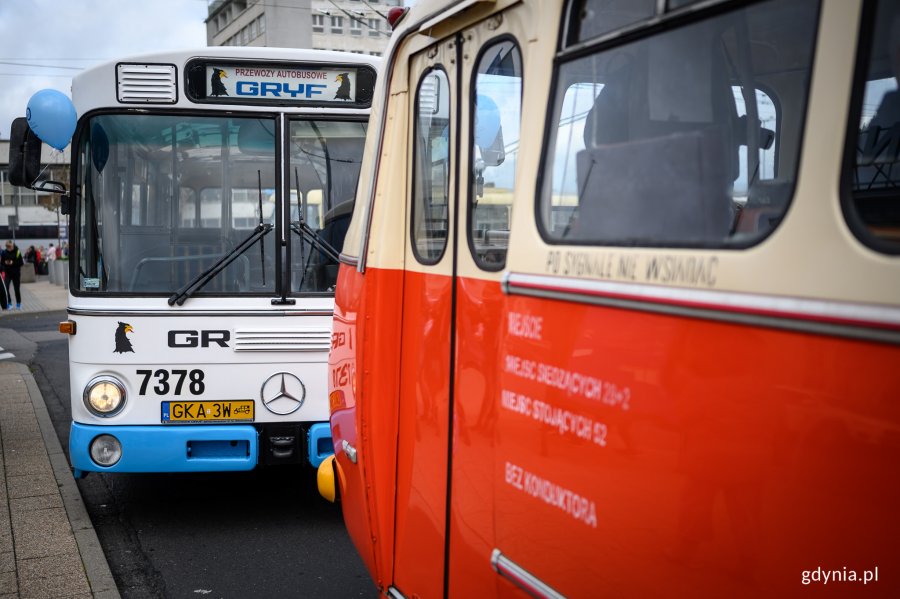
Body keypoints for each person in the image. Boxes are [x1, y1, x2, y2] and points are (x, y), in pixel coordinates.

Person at [1, 240, 24, 310]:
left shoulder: (17, 252)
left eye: (10, 247)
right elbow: (2, 263)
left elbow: (21, 263)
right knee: (6, 288)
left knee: (16, 289)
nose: (9, 248)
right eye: (7, 247)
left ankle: (18, 303)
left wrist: (12, 263)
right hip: (7, 273)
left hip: (16, 273)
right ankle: (9, 303)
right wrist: (5, 263)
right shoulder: (4, 252)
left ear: (12, 246)